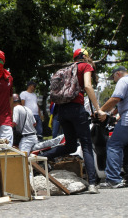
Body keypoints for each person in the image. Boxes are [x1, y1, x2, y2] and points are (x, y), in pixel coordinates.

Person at [40, 48, 106, 194]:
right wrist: (98, 108)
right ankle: (92, 184)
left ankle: (40, 157)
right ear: (85, 57)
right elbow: (88, 86)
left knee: (70, 145)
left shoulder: (65, 70)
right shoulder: (85, 66)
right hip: (76, 109)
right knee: (86, 145)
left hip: (62, 111)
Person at [99, 66, 128, 188]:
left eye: (114, 78)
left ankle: (113, 179)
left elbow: (116, 98)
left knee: (114, 145)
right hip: (123, 116)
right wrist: (114, 114)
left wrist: (100, 110)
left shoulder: (123, 80)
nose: (114, 81)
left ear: (118, 74)